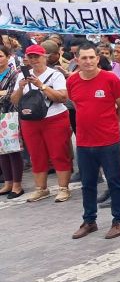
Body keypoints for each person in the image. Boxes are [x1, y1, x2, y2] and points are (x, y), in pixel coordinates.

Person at [68, 42, 120, 240]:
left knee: (114, 182)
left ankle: (119, 220)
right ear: (77, 60)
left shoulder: (110, 78)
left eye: (91, 57)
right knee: (87, 184)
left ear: (97, 58)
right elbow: (78, 105)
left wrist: (113, 124)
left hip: (108, 140)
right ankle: (89, 221)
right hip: (84, 142)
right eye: (83, 58)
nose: (87, 61)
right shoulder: (72, 81)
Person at [13, 44, 73, 203]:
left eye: (36, 56)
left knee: (58, 153)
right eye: (30, 57)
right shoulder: (21, 76)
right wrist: (20, 88)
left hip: (54, 118)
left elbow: (62, 98)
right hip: (30, 120)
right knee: (36, 154)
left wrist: (42, 86)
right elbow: (14, 101)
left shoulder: (55, 75)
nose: (34, 60)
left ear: (44, 57)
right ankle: (41, 188)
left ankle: (63, 188)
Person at [0, 46, 24, 199]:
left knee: (13, 150)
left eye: (0, 56)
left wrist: (3, 94)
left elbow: (9, 96)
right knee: (1, 151)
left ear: (8, 57)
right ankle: (8, 182)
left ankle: (17, 184)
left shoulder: (15, 74)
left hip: (9, 114)